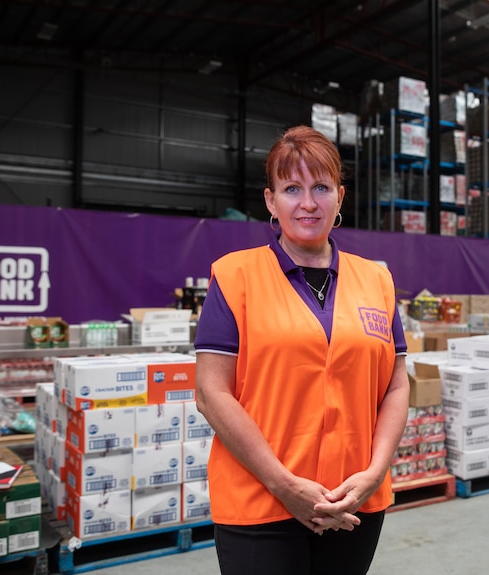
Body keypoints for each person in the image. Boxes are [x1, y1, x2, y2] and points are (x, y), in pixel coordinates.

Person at [194, 125, 410, 575]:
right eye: (292, 188)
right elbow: (212, 392)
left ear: (340, 197)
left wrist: (374, 473)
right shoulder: (235, 278)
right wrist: (284, 484)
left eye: (321, 187)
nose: (308, 203)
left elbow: (395, 386)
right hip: (261, 504)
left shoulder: (377, 281)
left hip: (353, 502)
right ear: (271, 201)